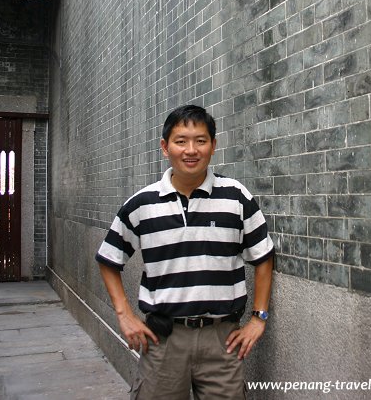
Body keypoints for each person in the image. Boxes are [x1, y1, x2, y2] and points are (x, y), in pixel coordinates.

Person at [96, 104, 275, 400]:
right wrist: (124, 314)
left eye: (200, 141)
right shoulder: (142, 204)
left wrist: (259, 317)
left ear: (213, 146)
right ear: (165, 148)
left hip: (222, 341)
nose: (191, 150)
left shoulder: (237, 198)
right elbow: (109, 258)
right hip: (164, 340)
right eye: (181, 141)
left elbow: (263, 257)